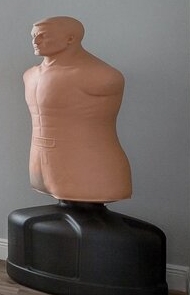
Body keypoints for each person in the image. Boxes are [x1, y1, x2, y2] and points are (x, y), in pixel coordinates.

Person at [23, 16, 131, 203]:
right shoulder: (29, 75)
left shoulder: (102, 75)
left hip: (88, 165)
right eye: (33, 36)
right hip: (39, 162)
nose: (35, 41)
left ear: (70, 39)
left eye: (43, 36)